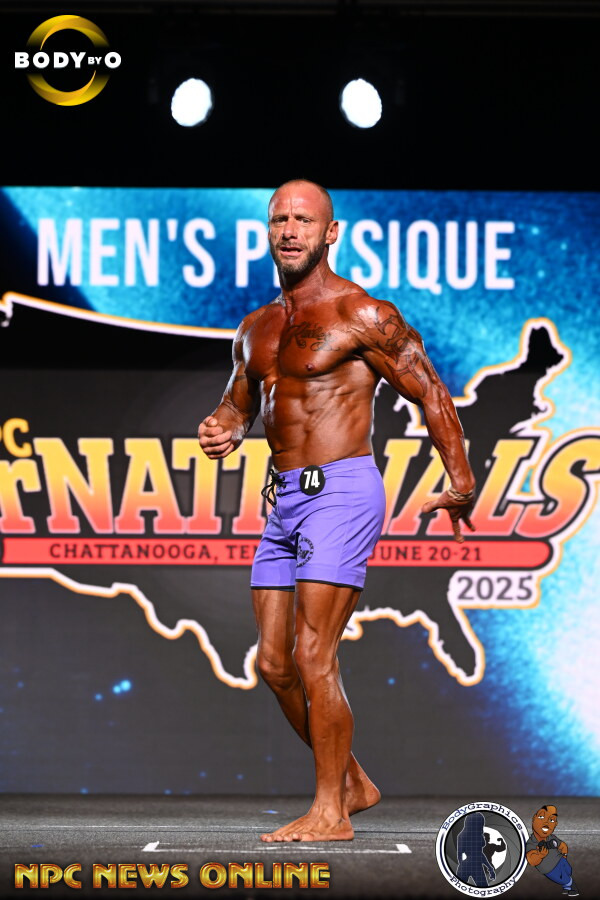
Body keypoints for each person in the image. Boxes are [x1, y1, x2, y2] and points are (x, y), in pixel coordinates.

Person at [198, 179, 475, 842]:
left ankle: (332, 812)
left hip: (343, 491)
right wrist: (224, 426)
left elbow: (430, 391)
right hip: (284, 498)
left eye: (304, 220)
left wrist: (461, 480)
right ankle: (352, 781)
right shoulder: (256, 328)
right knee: (274, 663)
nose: (290, 231)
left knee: (313, 652)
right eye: (280, 220)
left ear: (330, 233)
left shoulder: (363, 313)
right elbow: (239, 403)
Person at [526, 805, 579, 897]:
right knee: (563, 879)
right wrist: (540, 855)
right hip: (548, 869)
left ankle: (567, 887)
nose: (546, 822)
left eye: (551, 820)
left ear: (555, 824)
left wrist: (564, 856)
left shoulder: (551, 837)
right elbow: (531, 860)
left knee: (567, 871)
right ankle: (571, 885)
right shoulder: (531, 842)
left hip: (560, 860)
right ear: (534, 819)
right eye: (541, 817)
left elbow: (562, 845)